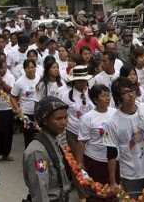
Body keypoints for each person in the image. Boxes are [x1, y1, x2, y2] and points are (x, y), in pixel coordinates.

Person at [23, 96, 71, 202]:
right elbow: (40, 193)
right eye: (58, 119)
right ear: (45, 121)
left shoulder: (54, 141)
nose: (64, 122)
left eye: (65, 117)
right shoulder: (38, 151)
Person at [76, 85, 118, 202]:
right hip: (95, 160)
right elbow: (81, 142)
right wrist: (79, 162)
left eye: (108, 95)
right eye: (103, 96)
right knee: (97, 192)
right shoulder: (88, 118)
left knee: (114, 191)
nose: (107, 98)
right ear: (95, 99)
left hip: (114, 159)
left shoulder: (115, 113)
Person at [60, 65, 95, 202]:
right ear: (74, 81)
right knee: (78, 163)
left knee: (92, 161)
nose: (82, 82)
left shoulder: (93, 93)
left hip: (93, 134)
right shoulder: (66, 96)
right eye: (79, 80)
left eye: (84, 80)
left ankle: (93, 190)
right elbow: (62, 114)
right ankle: (83, 195)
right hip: (74, 133)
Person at [10, 59, 40, 148]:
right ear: (24, 69)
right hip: (25, 114)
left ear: (35, 68)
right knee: (28, 136)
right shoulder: (19, 82)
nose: (30, 69)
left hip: (38, 113)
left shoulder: (40, 79)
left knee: (38, 136)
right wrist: (17, 108)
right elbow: (12, 97)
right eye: (28, 68)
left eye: (32, 67)